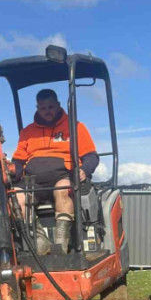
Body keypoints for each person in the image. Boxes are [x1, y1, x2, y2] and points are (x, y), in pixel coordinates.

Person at [11, 89, 99, 253]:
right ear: (38, 108)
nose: (47, 111)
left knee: (62, 190)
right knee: (15, 197)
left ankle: (61, 244)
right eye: (43, 108)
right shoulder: (27, 132)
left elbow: (91, 156)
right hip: (33, 181)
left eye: (50, 107)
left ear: (58, 105)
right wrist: (11, 171)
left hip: (63, 176)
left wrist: (84, 170)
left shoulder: (75, 127)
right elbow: (18, 161)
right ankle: (39, 241)